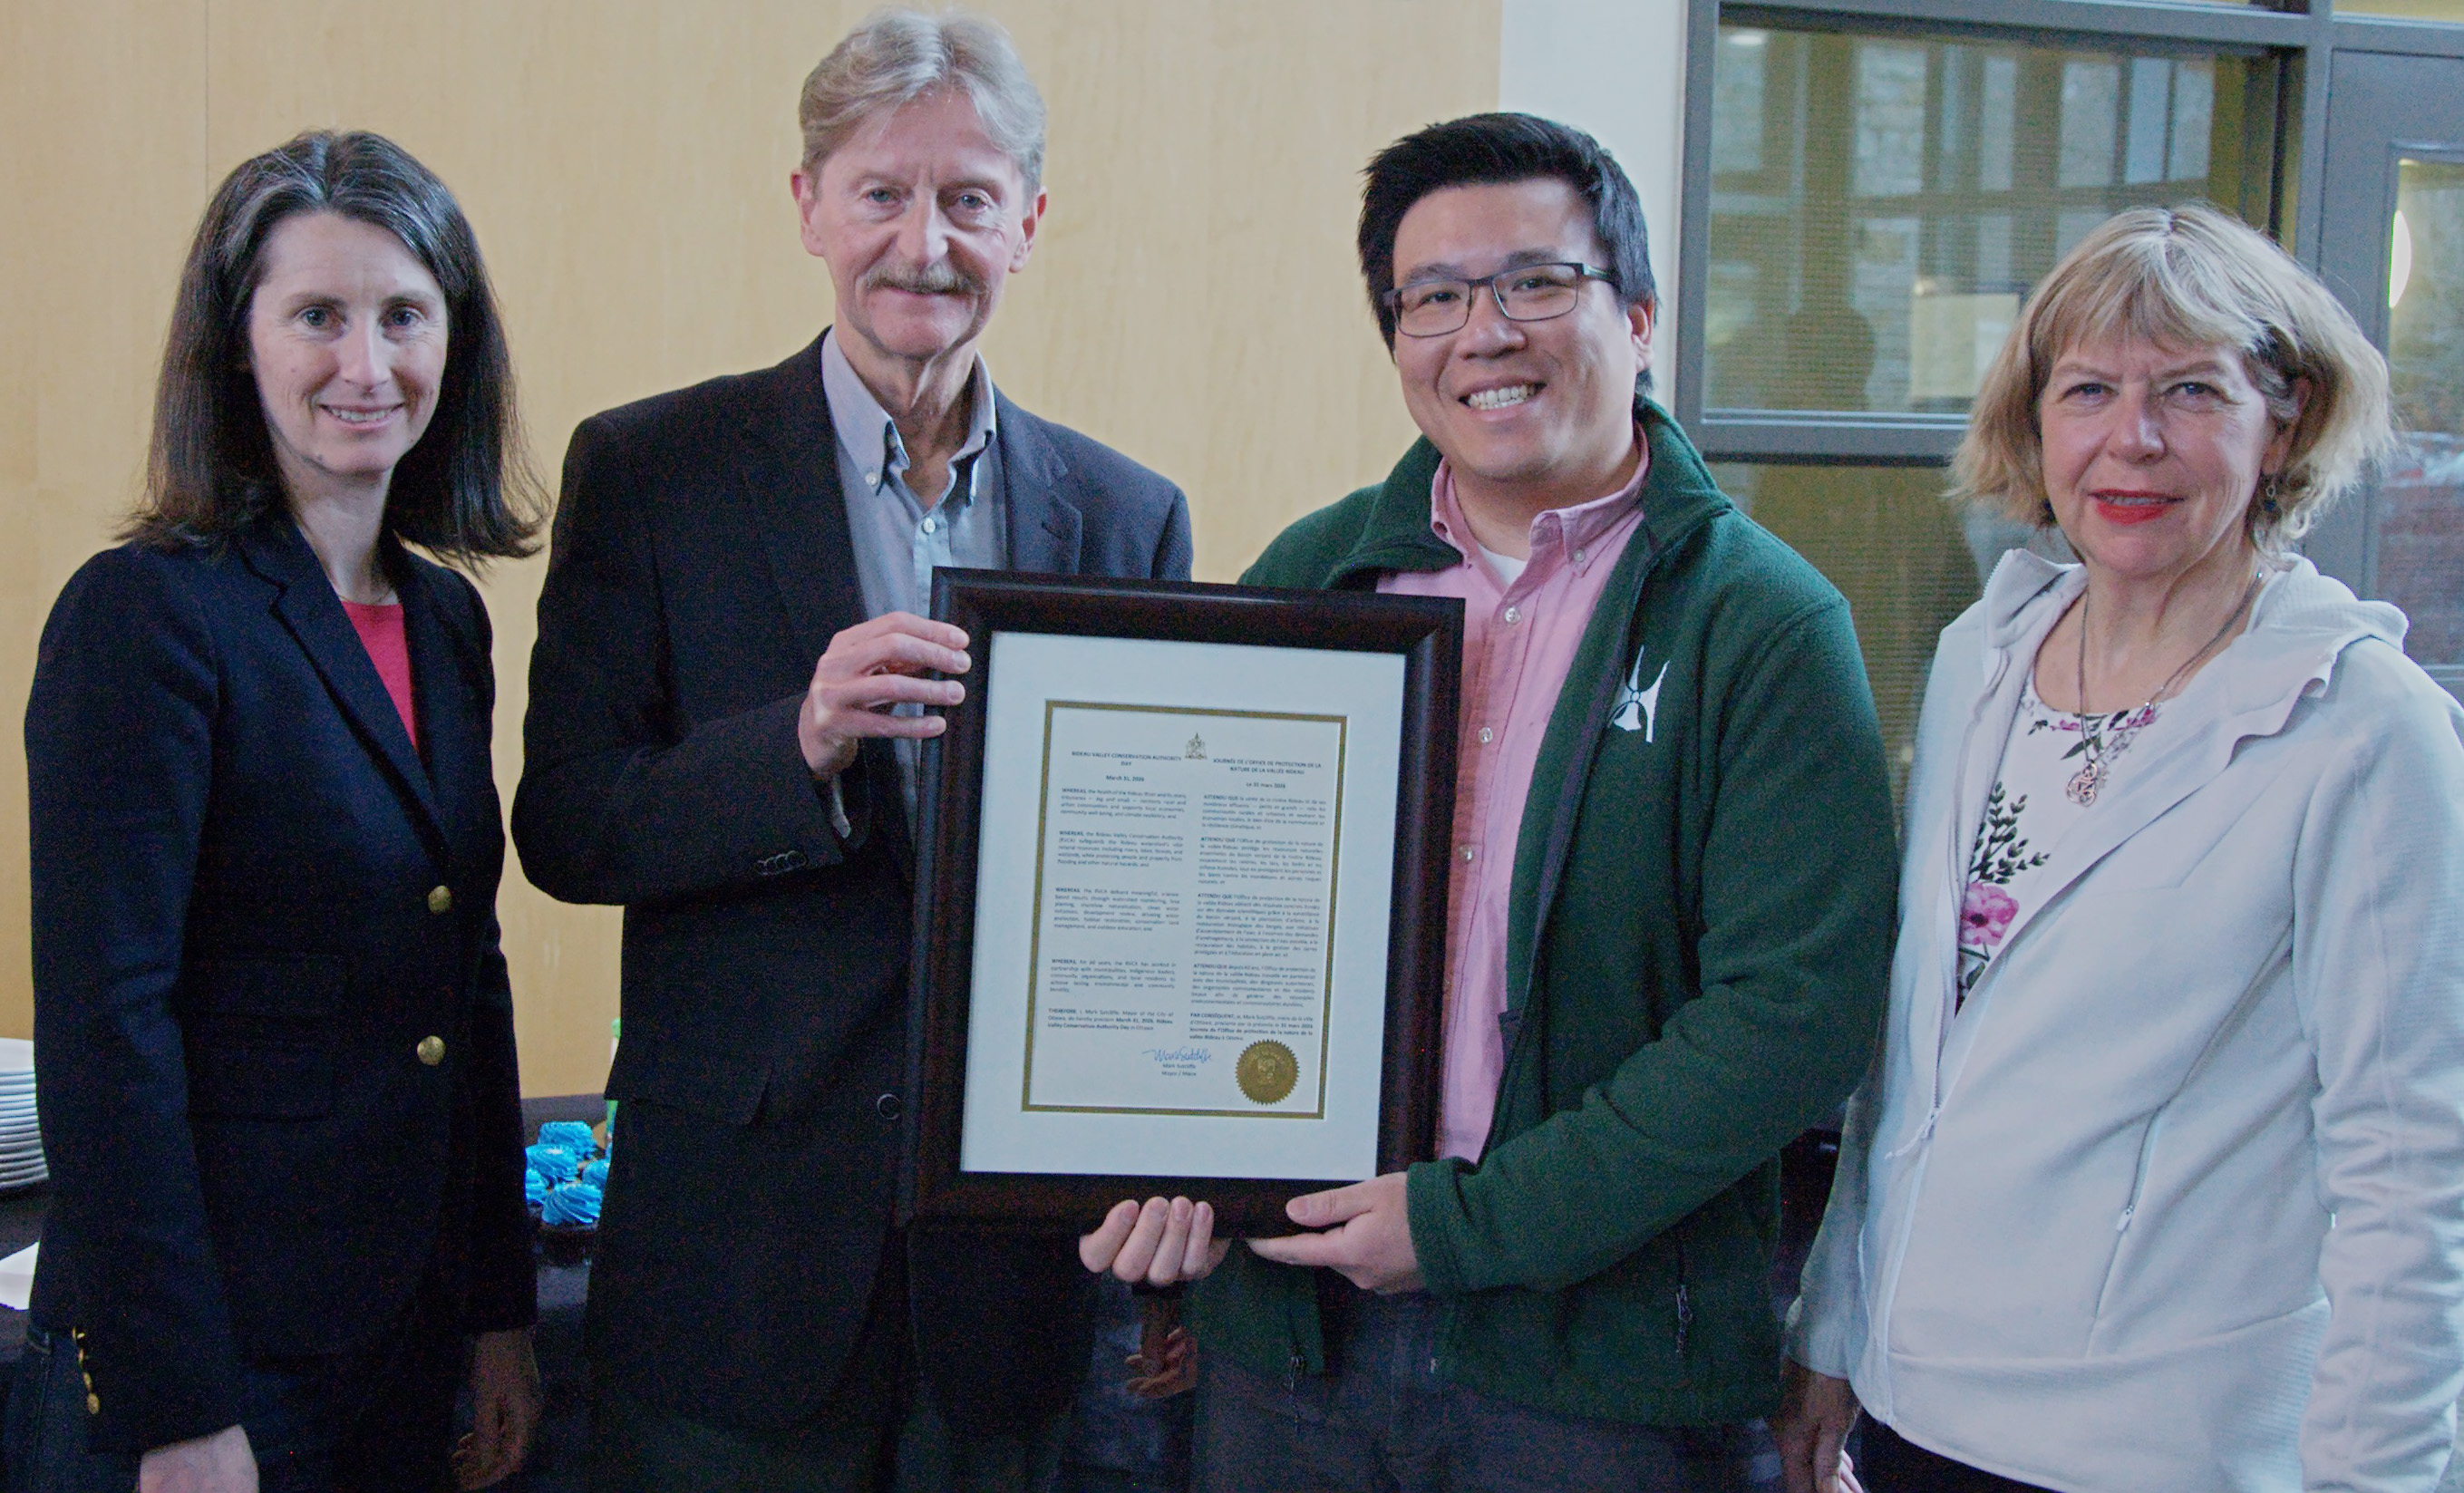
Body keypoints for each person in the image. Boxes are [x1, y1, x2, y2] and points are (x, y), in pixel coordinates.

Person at [1082, 111, 1899, 1492]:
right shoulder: (1314, 572)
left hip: (1596, 1379)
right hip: (1290, 1344)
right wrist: (1155, 1168)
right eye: (1435, 298)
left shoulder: (1758, 621)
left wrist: (1465, 1228)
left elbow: (1790, 1020)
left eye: (1535, 283)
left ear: (1636, 314)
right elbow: (1194, 919)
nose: (1485, 333)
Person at [509, 11, 1191, 1491]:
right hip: (733, 1259)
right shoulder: (649, 472)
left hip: (1011, 1273)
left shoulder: (1127, 515)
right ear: (808, 203)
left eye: (967, 198)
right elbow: (566, 827)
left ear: (1030, 218)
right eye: (882, 192)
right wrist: (796, 746)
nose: (924, 241)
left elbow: (1145, 902)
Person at [1776, 205, 2464, 1493]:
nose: (2130, 438)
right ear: (2034, 426)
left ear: (2287, 420)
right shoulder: (1985, 657)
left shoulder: (2364, 729)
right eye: (2087, 390)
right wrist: (1829, 1332)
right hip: (1912, 1410)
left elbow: (2412, 1172)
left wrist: (2377, 1481)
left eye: (2191, 391)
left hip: (2161, 1449)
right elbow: (1911, 1051)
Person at [12, 131, 547, 1493]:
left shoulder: (445, 618)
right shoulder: (145, 616)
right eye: (317, 315)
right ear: (234, 345)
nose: (366, 367)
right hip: (213, 1356)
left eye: (403, 317)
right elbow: (104, 1027)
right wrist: (176, 1405)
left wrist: (496, 1312)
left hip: (398, 1335)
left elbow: (461, 985)